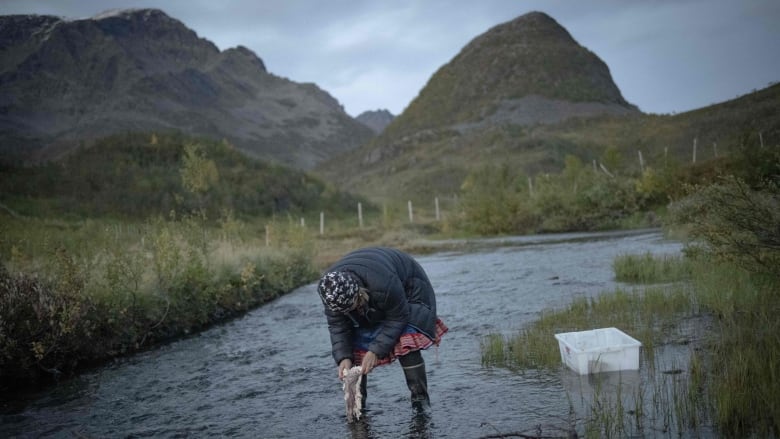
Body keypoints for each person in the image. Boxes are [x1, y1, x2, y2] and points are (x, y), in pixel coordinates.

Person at [317, 247, 448, 411]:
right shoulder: (330, 293)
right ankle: (358, 409)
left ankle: (420, 401)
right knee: (354, 353)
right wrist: (343, 357)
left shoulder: (383, 283)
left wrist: (375, 352)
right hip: (374, 286)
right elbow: (338, 327)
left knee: (406, 342)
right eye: (344, 311)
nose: (349, 313)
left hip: (410, 290)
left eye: (352, 307)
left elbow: (399, 317)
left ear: (359, 294)